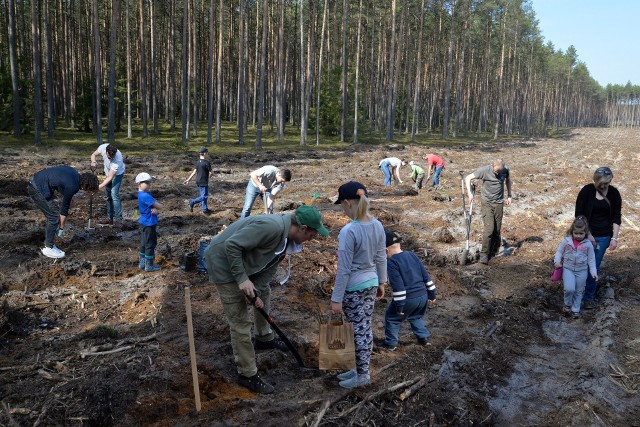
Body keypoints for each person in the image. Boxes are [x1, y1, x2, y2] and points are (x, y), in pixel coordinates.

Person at [204, 205, 329, 394]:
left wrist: (256, 294)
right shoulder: (272, 227)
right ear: (302, 228)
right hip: (223, 263)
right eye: (311, 235)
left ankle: (264, 338)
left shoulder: (287, 239)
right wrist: (242, 279)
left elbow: (271, 264)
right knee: (240, 321)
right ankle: (247, 374)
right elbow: (232, 245)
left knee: (265, 293)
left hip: (246, 264)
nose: (312, 239)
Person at [331, 181, 387, 389]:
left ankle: (363, 375)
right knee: (365, 328)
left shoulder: (349, 231)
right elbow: (381, 256)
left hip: (354, 288)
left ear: (347, 203)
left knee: (358, 331)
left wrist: (336, 299)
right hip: (371, 283)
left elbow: (344, 269)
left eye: (342, 207)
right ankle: (357, 368)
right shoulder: (377, 224)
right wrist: (382, 281)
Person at [574, 166, 621, 309]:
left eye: (606, 183)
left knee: (593, 266)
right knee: (581, 264)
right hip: (584, 235)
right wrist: (588, 234)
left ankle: (588, 296)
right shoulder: (587, 191)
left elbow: (616, 217)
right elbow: (579, 215)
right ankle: (576, 295)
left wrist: (614, 238)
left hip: (603, 237)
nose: (604, 186)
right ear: (595, 180)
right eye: (601, 183)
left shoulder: (614, 194)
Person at [28, 166, 99, 259]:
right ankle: (48, 247)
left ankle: (49, 236)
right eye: (89, 190)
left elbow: (58, 181)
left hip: (37, 180)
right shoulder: (73, 186)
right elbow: (64, 208)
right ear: (86, 186)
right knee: (53, 217)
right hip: (37, 188)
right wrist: (61, 228)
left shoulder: (74, 172)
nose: (88, 192)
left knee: (52, 212)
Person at [381, 231, 437, 350]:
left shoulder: (392, 263)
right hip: (422, 296)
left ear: (386, 250)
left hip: (407, 298)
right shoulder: (412, 255)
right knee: (416, 316)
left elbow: (399, 287)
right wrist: (432, 294)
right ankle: (423, 338)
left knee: (392, 318)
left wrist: (399, 306)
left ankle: (391, 343)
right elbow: (425, 276)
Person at [465, 159, 512, 264]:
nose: (497, 174)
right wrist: (470, 193)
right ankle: (484, 254)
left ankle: (494, 252)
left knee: (497, 230)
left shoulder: (505, 170)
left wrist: (509, 195)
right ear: (492, 166)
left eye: (499, 172)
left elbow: (508, 180)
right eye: (496, 172)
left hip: (499, 203)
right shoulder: (484, 170)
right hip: (487, 203)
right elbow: (468, 178)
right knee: (489, 229)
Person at [553, 216, 597, 319]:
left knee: (579, 290)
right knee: (569, 289)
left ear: (586, 233)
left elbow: (591, 259)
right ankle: (567, 304)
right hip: (568, 269)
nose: (578, 236)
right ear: (572, 231)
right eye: (576, 233)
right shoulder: (566, 241)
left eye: (581, 233)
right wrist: (557, 261)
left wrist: (593, 271)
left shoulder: (588, 245)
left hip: (582, 271)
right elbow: (559, 252)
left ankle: (575, 310)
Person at [90, 143, 125, 227]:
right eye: (109, 157)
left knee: (114, 194)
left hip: (117, 174)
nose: (110, 158)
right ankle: (109, 218)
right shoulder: (102, 147)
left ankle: (119, 220)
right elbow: (93, 154)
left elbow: (110, 178)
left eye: (112, 157)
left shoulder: (118, 160)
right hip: (107, 172)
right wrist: (93, 161)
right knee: (108, 195)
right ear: (106, 152)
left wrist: (98, 187)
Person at [136, 172, 162, 272]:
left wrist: (154, 209)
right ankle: (149, 265)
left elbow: (151, 206)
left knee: (144, 243)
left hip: (144, 221)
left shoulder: (141, 194)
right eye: (146, 182)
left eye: (149, 183)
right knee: (150, 243)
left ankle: (142, 263)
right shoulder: (146, 196)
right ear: (139, 184)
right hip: (149, 223)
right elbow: (159, 206)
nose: (148, 185)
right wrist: (158, 208)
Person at [184, 146, 213, 214]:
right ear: (205, 153)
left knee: (203, 194)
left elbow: (194, 172)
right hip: (203, 181)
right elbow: (211, 172)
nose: (208, 154)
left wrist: (188, 180)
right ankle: (192, 202)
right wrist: (210, 176)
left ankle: (204, 209)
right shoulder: (207, 162)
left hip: (198, 180)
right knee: (204, 196)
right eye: (207, 153)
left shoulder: (198, 162)